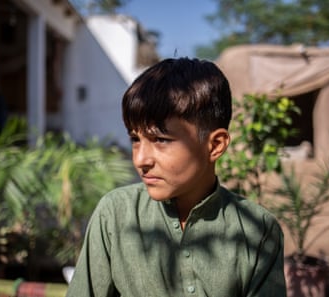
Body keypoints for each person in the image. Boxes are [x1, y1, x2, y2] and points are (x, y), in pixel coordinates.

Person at [66, 57, 286, 297]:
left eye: (161, 140)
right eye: (135, 139)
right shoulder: (116, 215)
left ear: (215, 146)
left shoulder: (258, 229)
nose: (141, 160)